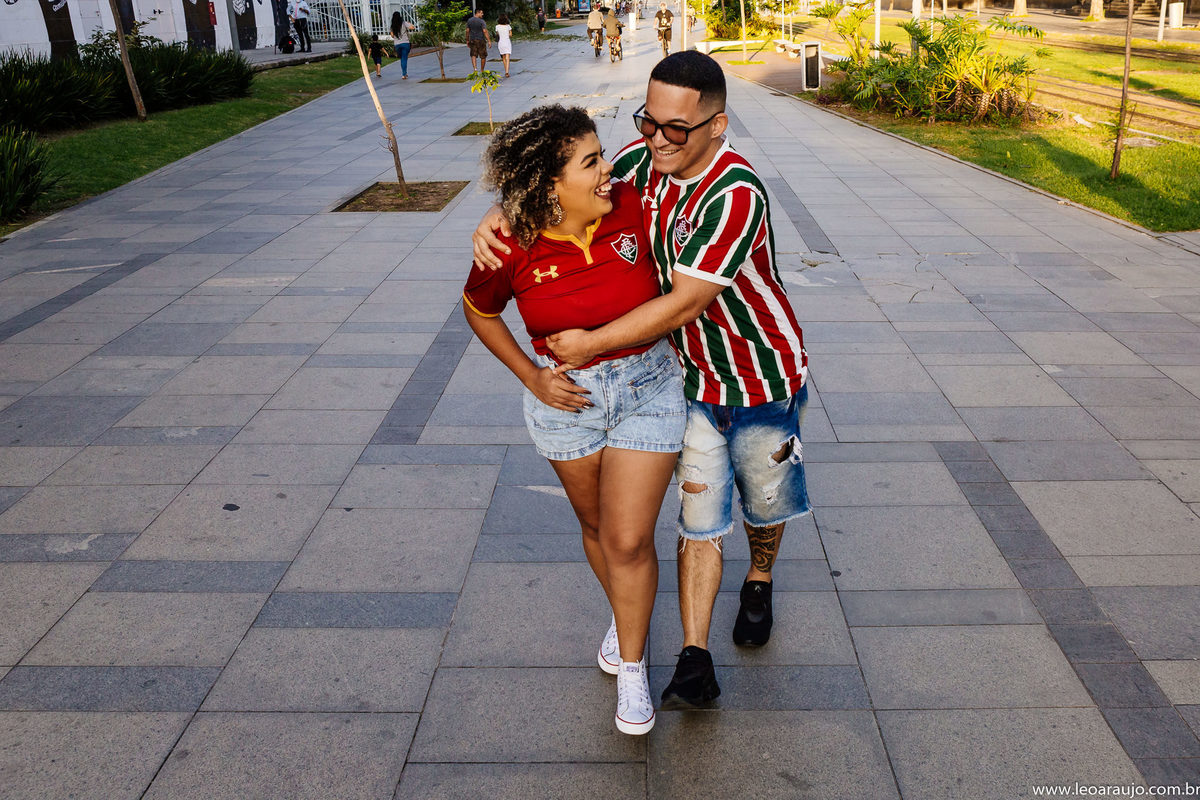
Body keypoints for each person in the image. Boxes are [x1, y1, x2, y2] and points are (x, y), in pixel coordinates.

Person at [473, 52, 811, 711]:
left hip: (763, 375)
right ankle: (693, 657)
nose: (656, 139)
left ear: (717, 125)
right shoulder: (639, 164)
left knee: (766, 504)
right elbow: (550, 188)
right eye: (648, 122)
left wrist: (590, 343)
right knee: (699, 516)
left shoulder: (736, 194)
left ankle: (762, 576)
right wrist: (497, 218)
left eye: (675, 129)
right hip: (685, 378)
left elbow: (684, 303)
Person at [464, 104, 686, 736]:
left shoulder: (635, 206)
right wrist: (530, 375)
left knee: (627, 538)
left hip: (647, 385)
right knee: (595, 525)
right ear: (549, 186)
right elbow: (480, 312)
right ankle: (625, 615)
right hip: (566, 403)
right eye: (590, 162)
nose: (606, 169)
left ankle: (635, 667)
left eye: (601, 155)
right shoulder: (509, 243)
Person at [390, 11, 415, 79]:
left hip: (397, 45)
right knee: (404, 58)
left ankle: (404, 73)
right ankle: (404, 74)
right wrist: (409, 23)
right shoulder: (404, 23)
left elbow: (392, 36)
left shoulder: (392, 26)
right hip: (405, 43)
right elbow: (413, 27)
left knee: (402, 59)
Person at [466, 8, 491, 73]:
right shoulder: (481, 21)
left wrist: (467, 40)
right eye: (481, 13)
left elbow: (467, 31)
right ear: (478, 13)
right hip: (481, 40)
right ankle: (482, 70)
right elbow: (485, 31)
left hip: (472, 40)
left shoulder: (469, 20)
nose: (482, 14)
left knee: (473, 55)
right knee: (483, 56)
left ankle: (475, 69)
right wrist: (489, 40)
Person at [495, 13, 513, 78]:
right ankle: (507, 72)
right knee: (508, 58)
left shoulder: (497, 27)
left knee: (503, 58)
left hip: (500, 43)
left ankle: (505, 70)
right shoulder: (508, 26)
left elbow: (497, 35)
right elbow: (510, 35)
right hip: (507, 42)